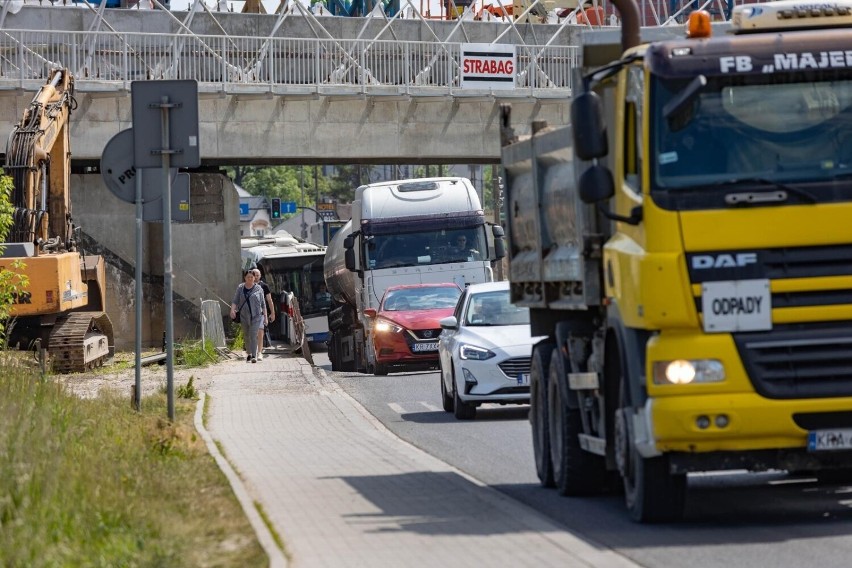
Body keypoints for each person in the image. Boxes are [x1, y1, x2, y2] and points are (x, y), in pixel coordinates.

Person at [230, 270, 267, 363]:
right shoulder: (240, 288)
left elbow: (263, 304)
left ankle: (254, 355)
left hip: (256, 315)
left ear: (254, 278)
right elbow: (235, 300)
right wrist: (232, 310)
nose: (250, 279)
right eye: (248, 277)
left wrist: (265, 317)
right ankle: (249, 353)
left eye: (252, 277)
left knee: (253, 334)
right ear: (245, 278)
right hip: (244, 316)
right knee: (246, 335)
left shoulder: (259, 289)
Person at [252, 268, 275, 360]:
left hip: (261, 312)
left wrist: (272, 313)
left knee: (260, 332)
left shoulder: (264, 286)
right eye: (254, 275)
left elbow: (269, 300)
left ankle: (260, 352)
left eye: (258, 275)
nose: (256, 277)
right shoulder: (247, 286)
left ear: (260, 276)